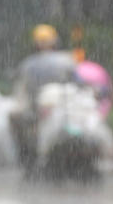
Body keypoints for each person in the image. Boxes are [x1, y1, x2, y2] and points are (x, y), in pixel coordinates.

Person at [10, 24, 76, 171]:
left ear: (36, 44)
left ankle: (23, 156)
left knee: (15, 120)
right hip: (64, 107)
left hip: (38, 110)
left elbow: (22, 89)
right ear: (55, 42)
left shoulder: (28, 64)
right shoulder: (67, 60)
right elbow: (77, 82)